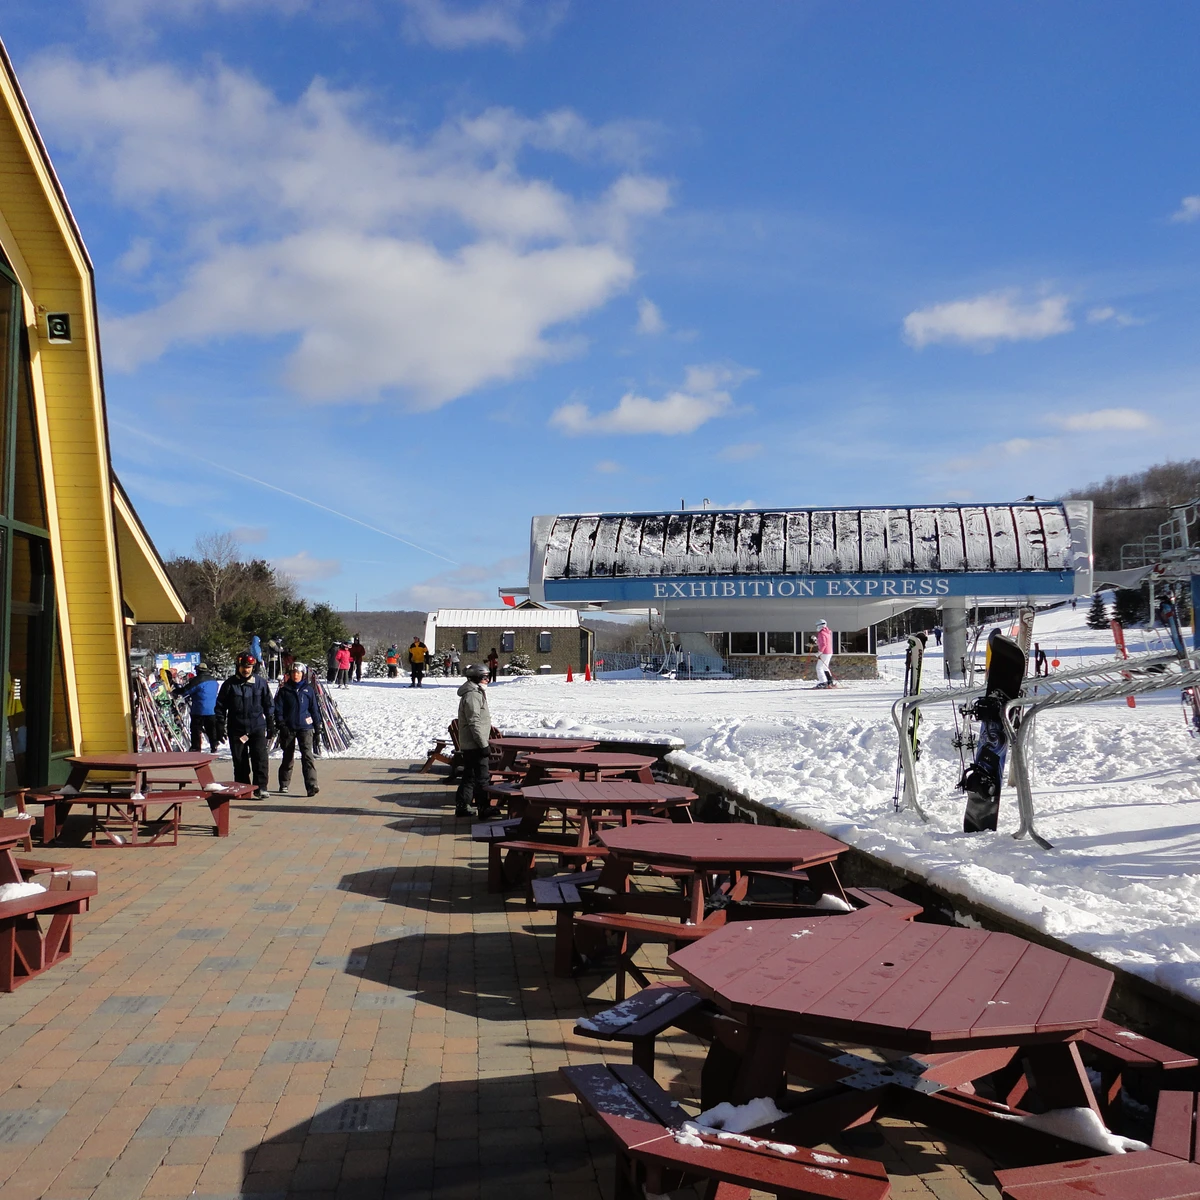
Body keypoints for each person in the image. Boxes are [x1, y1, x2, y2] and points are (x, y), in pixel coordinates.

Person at [215, 652, 275, 798]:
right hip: (237, 728)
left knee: (260, 759)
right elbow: (220, 707)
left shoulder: (260, 683)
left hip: (256, 727)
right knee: (239, 760)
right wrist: (220, 726)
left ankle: (261, 787)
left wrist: (270, 722)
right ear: (238, 667)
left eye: (249, 667)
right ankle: (243, 788)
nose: (246, 670)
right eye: (243, 667)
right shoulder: (229, 684)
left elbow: (268, 704)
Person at [274, 661, 321, 796]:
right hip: (289, 727)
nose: (296, 675)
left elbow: (314, 709)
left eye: (298, 673)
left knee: (307, 756)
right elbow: (278, 710)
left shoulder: (308, 690)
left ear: (303, 675)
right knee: (288, 756)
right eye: (294, 673)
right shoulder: (284, 691)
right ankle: (284, 783)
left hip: (305, 727)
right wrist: (281, 724)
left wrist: (317, 728)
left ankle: (311, 785)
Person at [455, 663, 495, 819]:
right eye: (485, 677)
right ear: (476, 678)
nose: (487, 680)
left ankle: (462, 806)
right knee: (482, 777)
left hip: (472, 744)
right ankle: (484, 808)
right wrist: (483, 744)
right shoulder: (472, 695)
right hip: (475, 744)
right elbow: (474, 722)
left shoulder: (475, 692)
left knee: (470, 776)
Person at [174, 662, 221, 752]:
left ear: (198, 671)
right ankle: (214, 744)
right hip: (212, 709)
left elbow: (186, 691)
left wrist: (176, 690)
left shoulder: (197, 680)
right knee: (211, 729)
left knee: (196, 728)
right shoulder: (213, 680)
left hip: (199, 709)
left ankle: (196, 747)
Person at [814, 619, 835, 688]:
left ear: (820, 626)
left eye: (817, 626)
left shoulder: (821, 633)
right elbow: (823, 642)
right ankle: (830, 681)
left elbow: (823, 644)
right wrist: (816, 641)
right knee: (825, 667)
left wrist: (819, 652)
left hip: (824, 652)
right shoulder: (827, 632)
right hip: (829, 652)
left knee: (819, 667)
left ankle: (823, 682)